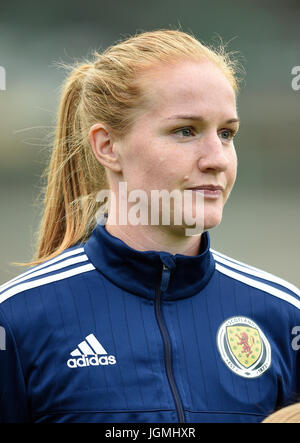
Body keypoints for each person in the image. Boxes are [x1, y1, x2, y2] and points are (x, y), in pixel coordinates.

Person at [0, 29, 299, 423]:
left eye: (226, 133)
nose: (217, 159)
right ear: (107, 146)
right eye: (185, 131)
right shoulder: (16, 322)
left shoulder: (285, 317)